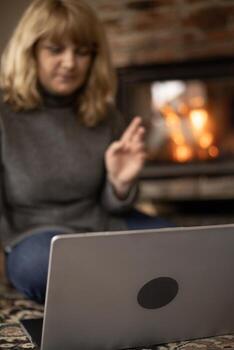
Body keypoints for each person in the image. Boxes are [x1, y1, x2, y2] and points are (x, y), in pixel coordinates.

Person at [0, 0, 168, 304]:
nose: (69, 63)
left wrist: (119, 183)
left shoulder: (104, 114)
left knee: (180, 245)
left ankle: (110, 286)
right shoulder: (4, 113)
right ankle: (130, 286)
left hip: (102, 226)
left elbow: (115, 207)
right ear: (31, 51)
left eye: (81, 52)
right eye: (55, 50)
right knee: (41, 267)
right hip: (34, 235)